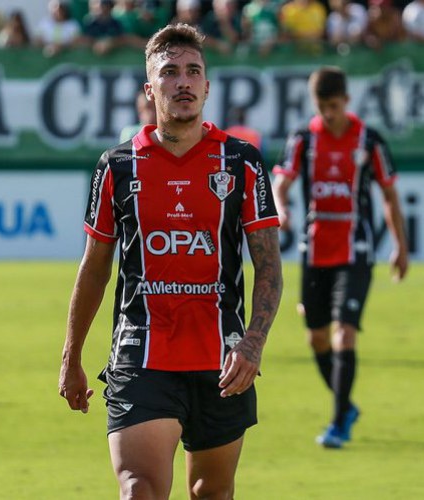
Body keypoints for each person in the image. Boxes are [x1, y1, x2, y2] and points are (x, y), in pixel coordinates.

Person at [59, 23, 282, 499]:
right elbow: (94, 267)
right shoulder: (117, 166)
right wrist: (71, 357)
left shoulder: (241, 162)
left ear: (207, 86)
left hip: (221, 360)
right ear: (150, 90)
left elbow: (268, 265)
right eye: (170, 72)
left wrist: (253, 343)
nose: (183, 82)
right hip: (141, 356)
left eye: (193, 71)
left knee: (211, 493)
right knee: (139, 489)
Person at [272, 66, 408, 448]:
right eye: (322, 107)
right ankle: (346, 406)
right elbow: (280, 184)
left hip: (355, 250)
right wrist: (281, 209)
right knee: (316, 338)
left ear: (347, 101)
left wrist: (400, 245)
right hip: (315, 250)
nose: (328, 114)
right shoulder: (303, 139)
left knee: (343, 332)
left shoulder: (368, 140)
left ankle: (337, 423)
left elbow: (389, 196)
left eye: (334, 106)